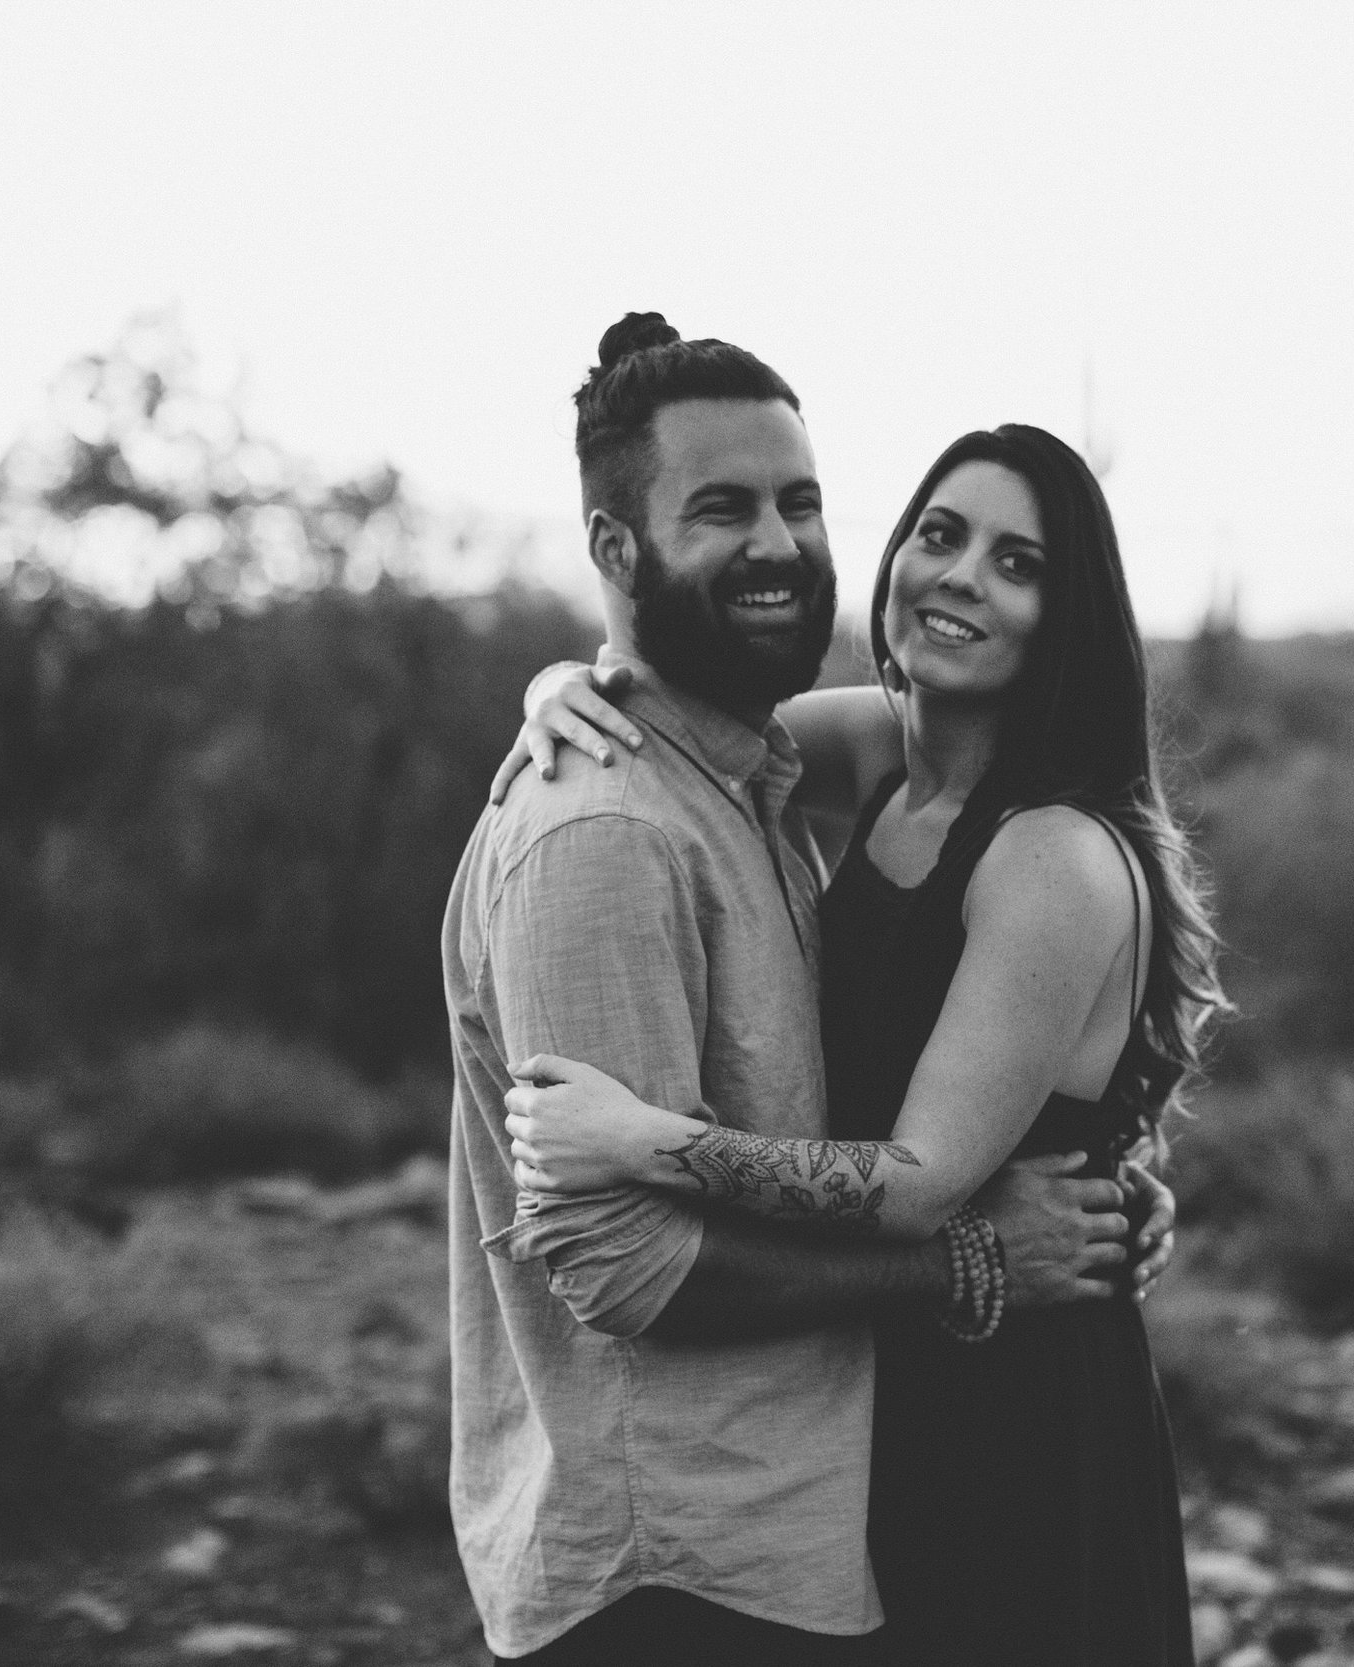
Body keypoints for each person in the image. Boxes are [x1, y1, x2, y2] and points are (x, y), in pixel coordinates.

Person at [445, 313, 1162, 1666]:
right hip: (838, 1423)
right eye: (941, 535)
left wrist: (649, 1140)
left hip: (996, 1386)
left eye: (1021, 564)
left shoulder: (1044, 853)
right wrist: (559, 680)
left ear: (1069, 615)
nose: (960, 578)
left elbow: (924, 1177)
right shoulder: (847, 762)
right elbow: (662, 713)